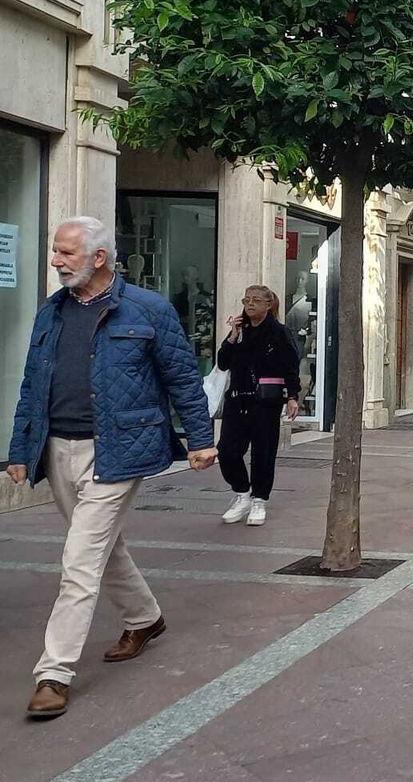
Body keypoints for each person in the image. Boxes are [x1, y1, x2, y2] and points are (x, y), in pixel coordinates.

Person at [8, 217, 218, 719]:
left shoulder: (148, 309)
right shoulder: (51, 312)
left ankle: (53, 674)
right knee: (103, 545)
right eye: (55, 251)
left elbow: (183, 379)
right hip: (57, 447)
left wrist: (201, 441)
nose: (55, 261)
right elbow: (31, 385)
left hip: (118, 450)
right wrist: (20, 449)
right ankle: (144, 617)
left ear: (99, 258)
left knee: (79, 561)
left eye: (65, 253)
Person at [216, 285, 301, 527]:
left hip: (266, 401)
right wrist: (231, 338)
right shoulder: (240, 331)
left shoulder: (279, 333)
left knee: (263, 452)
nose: (250, 304)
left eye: (256, 300)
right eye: (247, 300)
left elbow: (290, 366)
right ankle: (242, 492)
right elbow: (223, 364)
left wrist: (292, 396)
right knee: (228, 451)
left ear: (268, 305)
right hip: (237, 399)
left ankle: (259, 499)